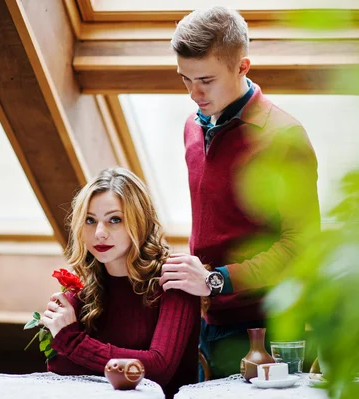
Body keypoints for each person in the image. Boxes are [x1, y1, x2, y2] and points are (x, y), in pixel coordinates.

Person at [160, 6, 321, 379]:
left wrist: (217, 280)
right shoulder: (191, 127)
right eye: (184, 78)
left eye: (205, 80)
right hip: (205, 320)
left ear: (242, 67)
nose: (193, 93)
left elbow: (300, 247)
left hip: (269, 327)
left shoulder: (283, 137)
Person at [41, 167, 200, 398]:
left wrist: (74, 342)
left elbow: (158, 368)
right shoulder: (84, 285)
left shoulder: (174, 278)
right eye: (90, 220)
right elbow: (59, 366)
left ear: (140, 222)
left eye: (114, 220)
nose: (99, 233)